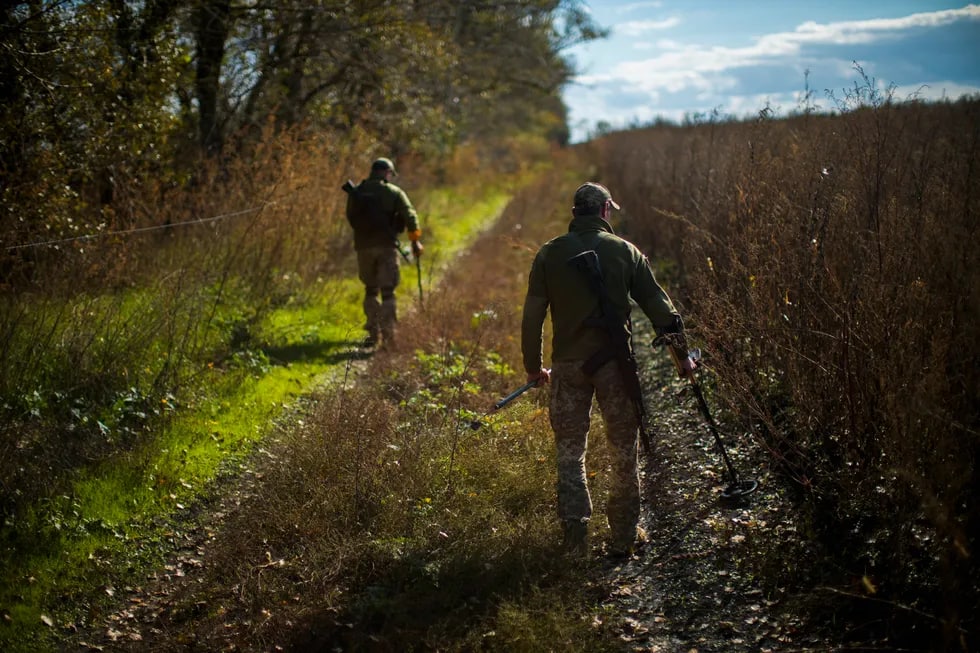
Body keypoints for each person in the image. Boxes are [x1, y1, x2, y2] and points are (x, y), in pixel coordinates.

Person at [520, 182, 695, 557]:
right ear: (604, 211)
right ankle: (623, 536)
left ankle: (575, 538)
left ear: (575, 213)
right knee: (623, 450)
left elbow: (532, 316)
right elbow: (662, 311)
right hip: (615, 366)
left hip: (567, 367)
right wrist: (683, 360)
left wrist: (534, 369)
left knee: (570, 451)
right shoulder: (625, 251)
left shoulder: (548, 254)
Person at [345, 157, 424, 349]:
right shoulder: (394, 192)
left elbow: (350, 216)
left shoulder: (358, 192)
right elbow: (410, 215)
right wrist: (415, 241)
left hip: (363, 247)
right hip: (387, 247)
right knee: (388, 292)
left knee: (371, 289)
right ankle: (389, 336)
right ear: (387, 173)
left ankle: (373, 333)